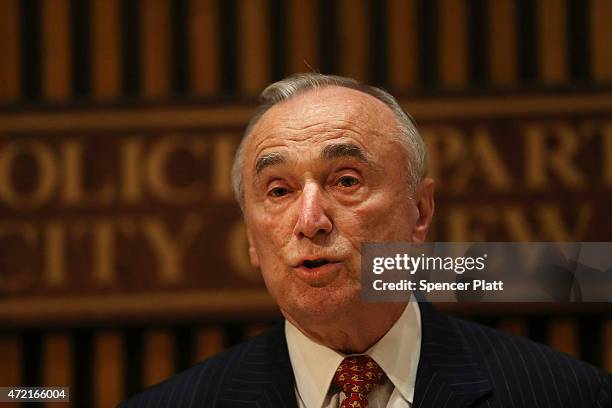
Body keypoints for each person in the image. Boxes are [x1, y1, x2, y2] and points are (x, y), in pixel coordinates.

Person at [119, 73, 611, 407]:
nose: (310, 220)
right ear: (252, 237)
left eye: (346, 181)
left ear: (420, 212)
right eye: (279, 190)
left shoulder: (568, 394)